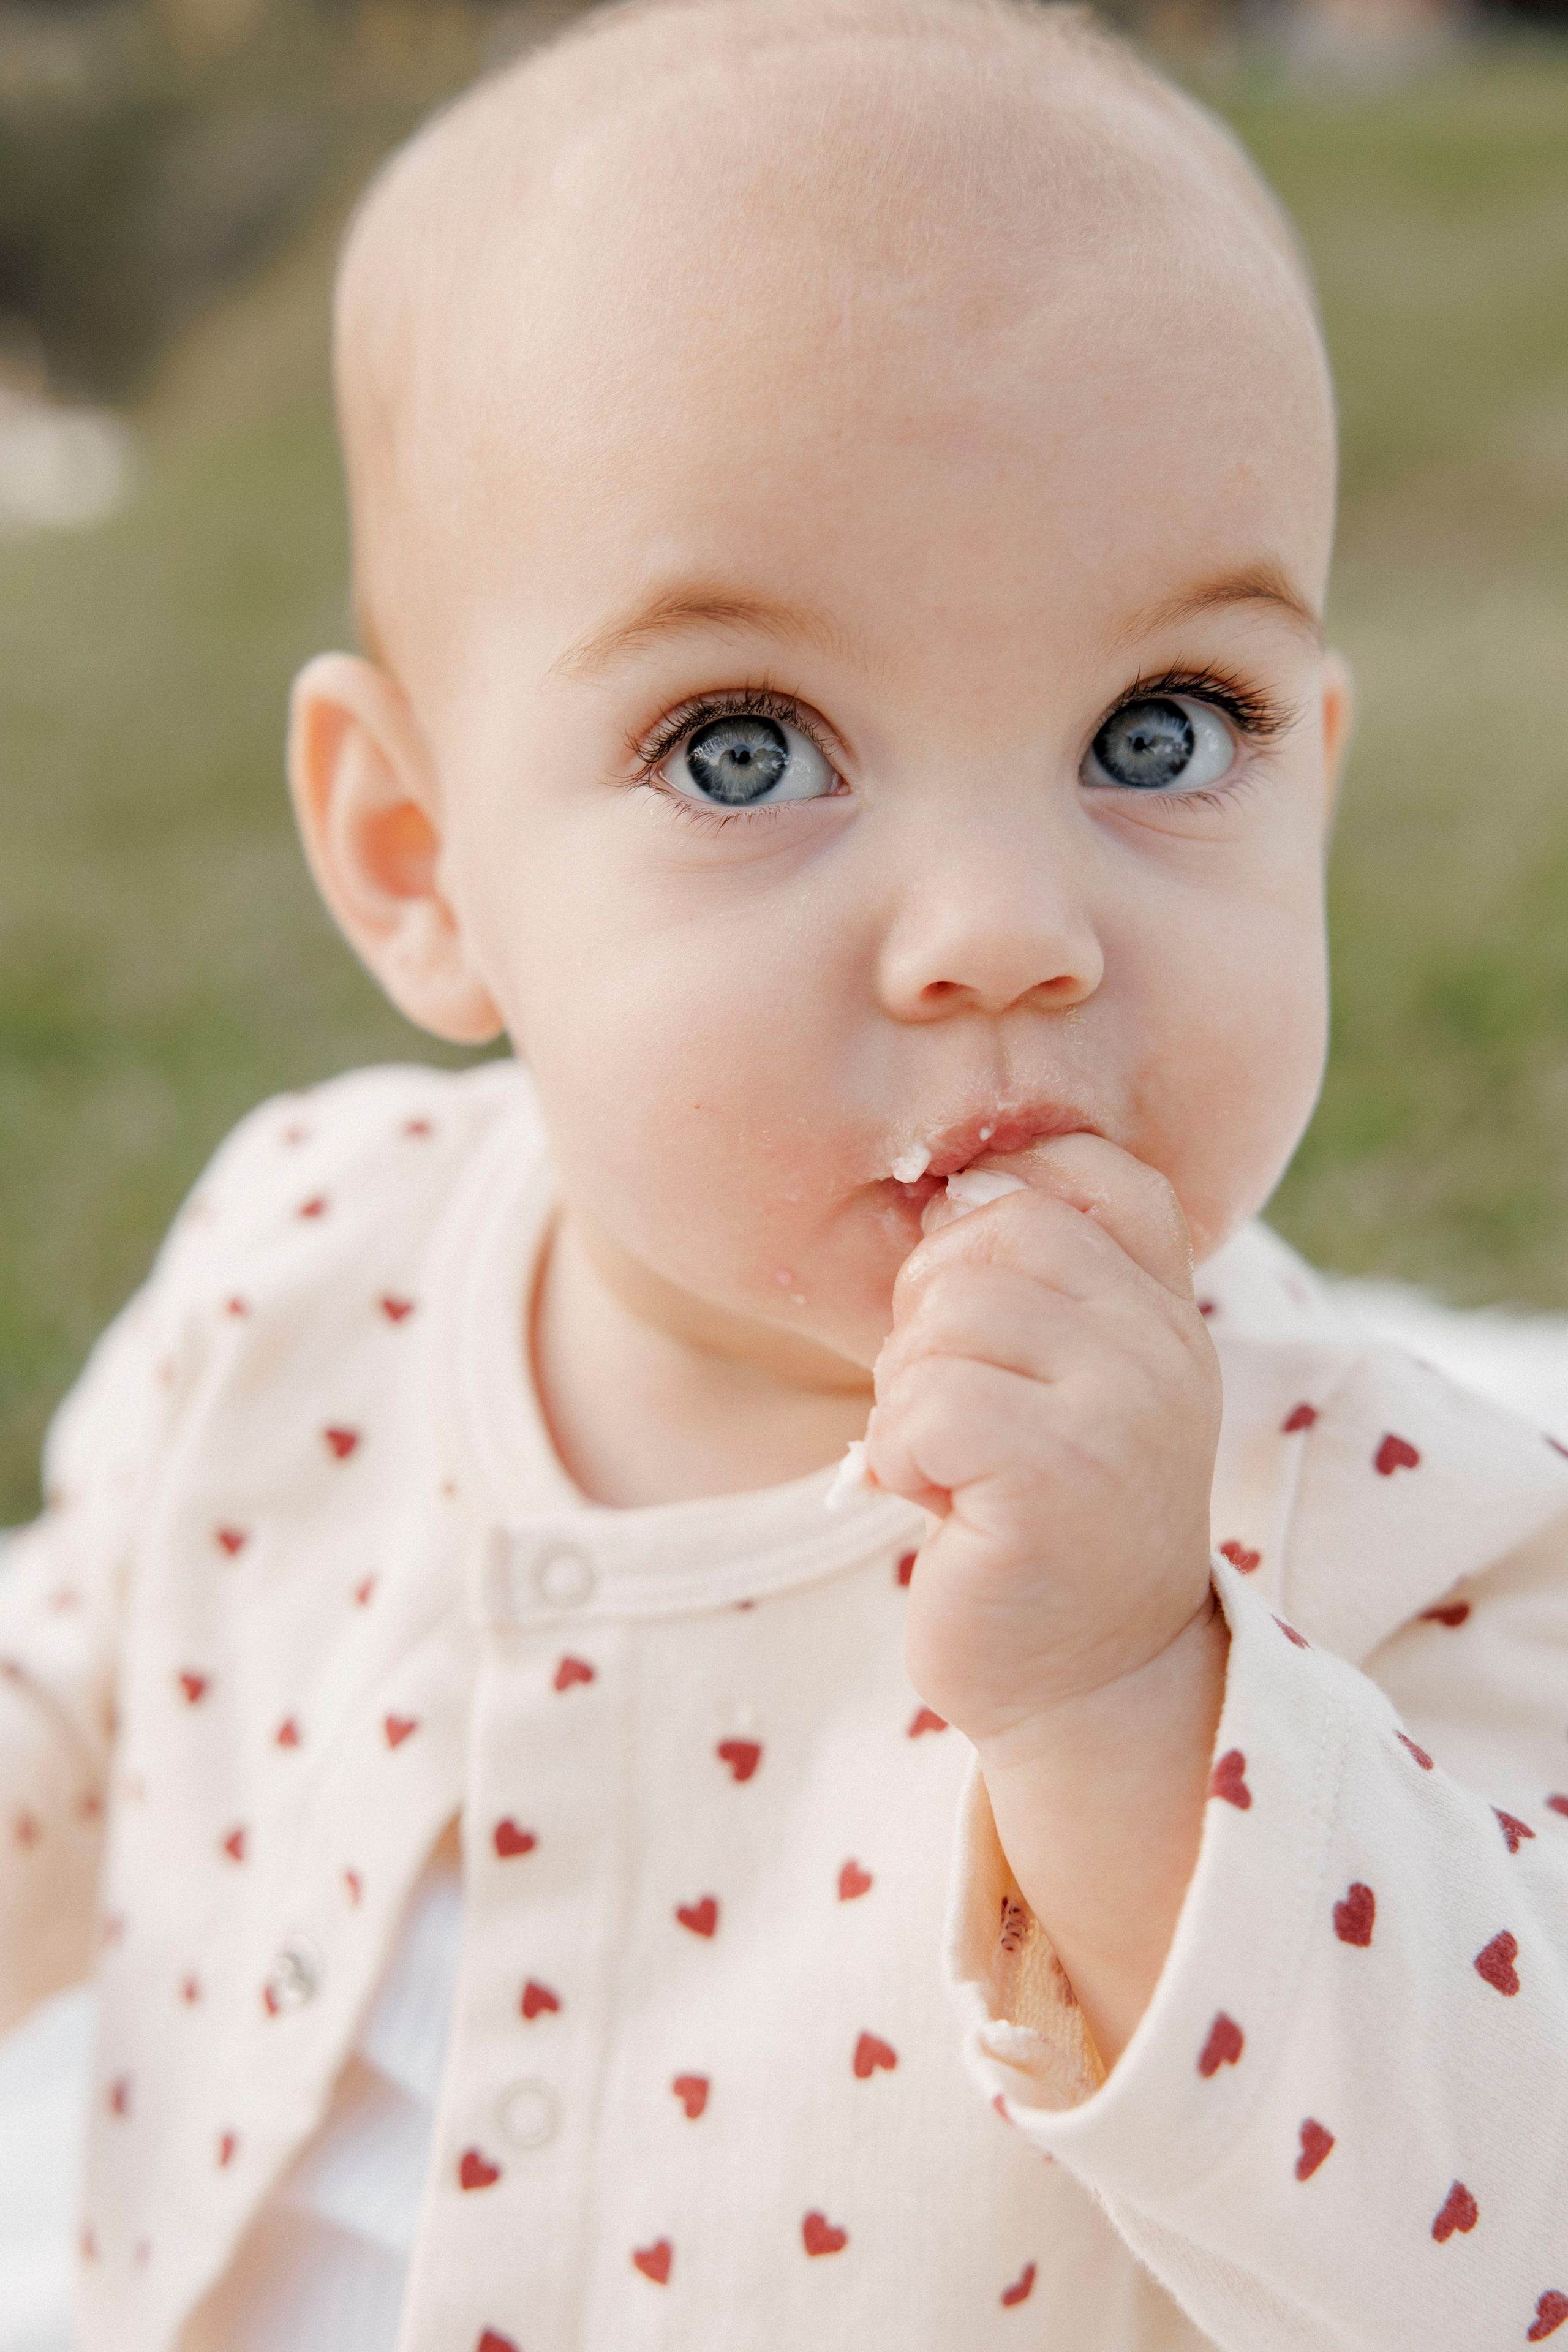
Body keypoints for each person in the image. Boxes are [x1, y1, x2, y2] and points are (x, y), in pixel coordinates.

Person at [6, 1, 1568, 2344]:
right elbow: (87, 1692)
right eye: (747, 748)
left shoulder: (1387, 1529)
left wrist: (1133, 1696)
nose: (1007, 931)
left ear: (1314, 784)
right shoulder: (304, 1260)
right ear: (419, 857)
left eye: (1165, 731)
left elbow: (1508, 2231)